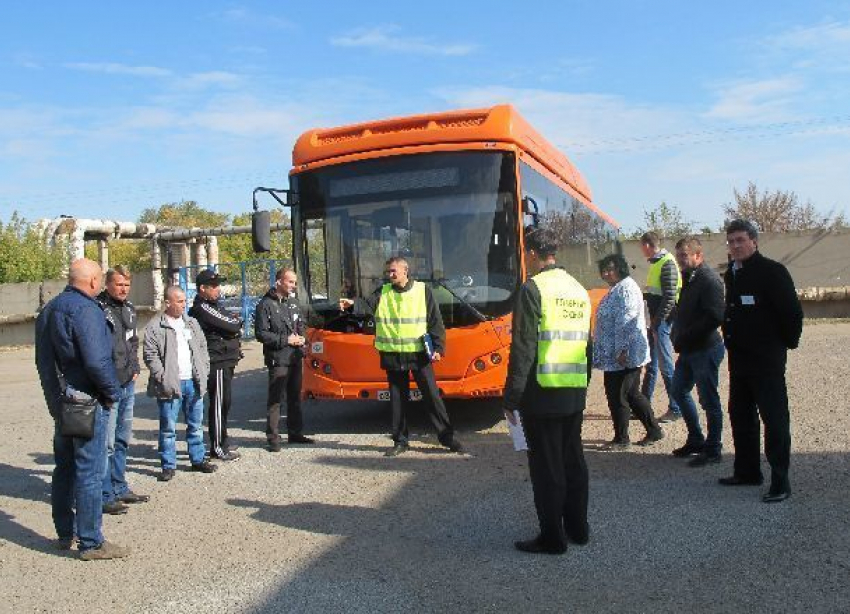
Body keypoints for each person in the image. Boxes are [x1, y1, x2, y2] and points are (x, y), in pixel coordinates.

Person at [503, 228, 591, 555]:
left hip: (541, 394)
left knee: (547, 468)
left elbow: (523, 348)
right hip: (573, 389)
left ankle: (553, 538)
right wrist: (581, 385)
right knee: (573, 462)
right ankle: (579, 529)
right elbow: (587, 344)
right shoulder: (578, 289)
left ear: (532, 253)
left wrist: (511, 397)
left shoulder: (533, 288)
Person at [34, 258, 129, 561]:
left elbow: (43, 363)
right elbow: (96, 361)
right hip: (86, 402)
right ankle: (91, 542)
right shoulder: (86, 309)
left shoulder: (49, 310)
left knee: (64, 468)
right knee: (89, 472)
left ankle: (65, 532)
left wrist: (53, 400)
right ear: (92, 282)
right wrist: (112, 393)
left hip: (62, 403)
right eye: (100, 279)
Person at [339, 256, 465, 457]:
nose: (389, 275)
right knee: (397, 400)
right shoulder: (384, 291)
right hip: (393, 355)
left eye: (393, 271)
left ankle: (446, 437)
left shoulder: (423, 291)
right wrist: (351, 304)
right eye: (388, 272)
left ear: (405, 271)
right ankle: (400, 441)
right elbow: (366, 305)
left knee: (432, 397)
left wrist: (439, 347)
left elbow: (435, 321)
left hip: (419, 354)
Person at [720, 219, 803, 503]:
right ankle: (747, 471)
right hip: (739, 359)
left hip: (766, 360)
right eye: (731, 241)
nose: (735, 246)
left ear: (754, 241)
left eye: (740, 240)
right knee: (741, 416)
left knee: (774, 419)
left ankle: (780, 481)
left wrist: (784, 345)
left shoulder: (772, 272)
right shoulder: (732, 273)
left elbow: (792, 314)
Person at [144, 286, 217, 481]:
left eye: (185, 300)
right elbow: (150, 355)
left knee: (195, 424)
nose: (184, 305)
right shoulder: (155, 326)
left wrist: (204, 370)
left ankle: (198, 459)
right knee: (168, 427)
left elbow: (202, 348)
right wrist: (162, 377)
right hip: (171, 385)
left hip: (193, 381)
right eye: (179, 301)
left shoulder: (191, 323)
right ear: (168, 303)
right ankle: (168, 465)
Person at [593, 254, 664, 449]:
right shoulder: (619, 287)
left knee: (618, 396)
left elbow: (627, 321)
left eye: (610, 269)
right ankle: (654, 430)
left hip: (622, 355)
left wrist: (622, 350)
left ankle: (622, 439)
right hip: (618, 354)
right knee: (632, 394)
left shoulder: (626, 289)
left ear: (621, 268)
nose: (607, 273)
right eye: (604, 270)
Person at [669, 237, 726, 466]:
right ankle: (695, 439)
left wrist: (686, 335)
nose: (681, 260)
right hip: (689, 348)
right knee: (678, 390)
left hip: (705, 348)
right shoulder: (688, 278)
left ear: (698, 256)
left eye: (684, 255)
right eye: (679, 256)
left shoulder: (709, 280)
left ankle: (713, 448)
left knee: (709, 400)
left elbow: (715, 316)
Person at [97, 265, 149, 515]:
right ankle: (105, 494)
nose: (123, 288)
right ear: (107, 284)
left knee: (122, 439)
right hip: (109, 384)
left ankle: (119, 486)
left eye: (127, 284)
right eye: (119, 284)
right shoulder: (98, 309)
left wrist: (136, 366)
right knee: (106, 443)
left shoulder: (129, 309)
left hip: (128, 381)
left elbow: (133, 340)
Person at [255, 268, 314, 452]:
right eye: (290, 282)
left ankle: (295, 432)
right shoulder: (265, 305)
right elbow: (261, 333)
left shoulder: (293, 303)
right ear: (278, 281)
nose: (293, 286)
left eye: (295, 283)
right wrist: (285, 340)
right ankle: (273, 438)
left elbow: (301, 324)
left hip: (295, 356)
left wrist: (303, 338)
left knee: (295, 397)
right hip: (278, 358)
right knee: (276, 399)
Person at [189, 269, 242, 461]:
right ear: (202, 288)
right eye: (213, 286)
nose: (218, 289)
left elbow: (234, 321)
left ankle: (223, 440)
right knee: (219, 403)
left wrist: (234, 325)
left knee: (225, 402)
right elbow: (232, 325)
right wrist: (234, 326)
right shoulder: (202, 307)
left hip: (226, 358)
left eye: (218, 285)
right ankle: (217, 446)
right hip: (216, 360)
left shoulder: (215, 305)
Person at [639, 231, 682, 423]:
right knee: (652, 365)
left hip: (662, 322)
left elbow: (669, 298)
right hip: (656, 322)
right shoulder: (657, 263)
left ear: (648, 245)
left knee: (666, 365)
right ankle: (643, 405)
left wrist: (657, 323)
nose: (641, 250)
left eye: (642, 246)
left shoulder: (666, 263)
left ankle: (676, 407)